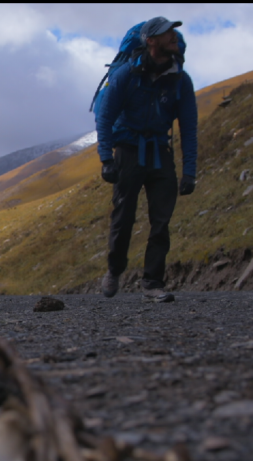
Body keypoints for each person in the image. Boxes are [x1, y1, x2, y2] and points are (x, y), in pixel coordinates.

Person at [95, 16, 198, 302]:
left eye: (174, 33)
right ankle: (114, 270)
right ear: (150, 41)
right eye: (166, 34)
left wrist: (190, 171)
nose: (173, 37)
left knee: (161, 221)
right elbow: (105, 118)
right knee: (123, 218)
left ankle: (152, 283)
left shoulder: (181, 80)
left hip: (159, 153)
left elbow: (189, 128)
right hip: (127, 151)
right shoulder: (126, 75)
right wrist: (106, 159)